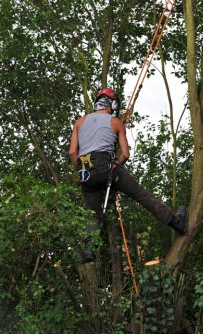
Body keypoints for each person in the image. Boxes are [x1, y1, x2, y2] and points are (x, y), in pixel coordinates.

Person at [69, 88, 188, 256]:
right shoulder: (115, 122)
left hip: (85, 173)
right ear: (113, 104)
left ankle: (89, 251)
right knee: (141, 195)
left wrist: (80, 172)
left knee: (92, 214)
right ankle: (177, 223)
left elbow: (73, 152)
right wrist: (115, 164)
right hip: (108, 168)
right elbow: (125, 154)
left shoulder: (79, 122)